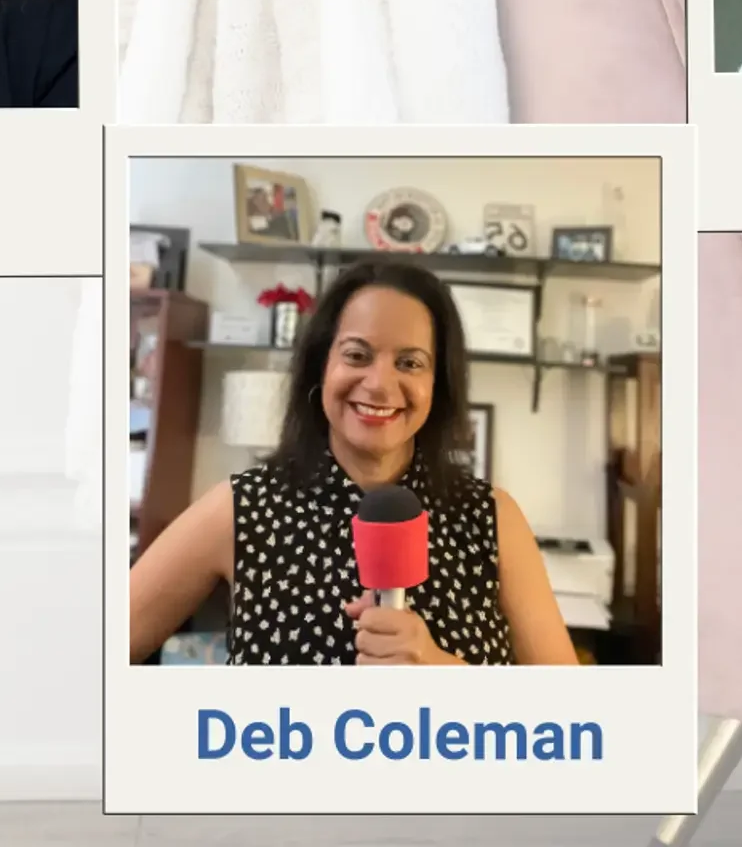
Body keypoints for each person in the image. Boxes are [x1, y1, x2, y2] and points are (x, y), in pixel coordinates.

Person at [129, 257, 579, 666]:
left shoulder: (492, 517)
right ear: (321, 366)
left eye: (410, 362)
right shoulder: (240, 508)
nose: (381, 384)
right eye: (357, 355)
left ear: (437, 383)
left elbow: (574, 718)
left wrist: (445, 671)